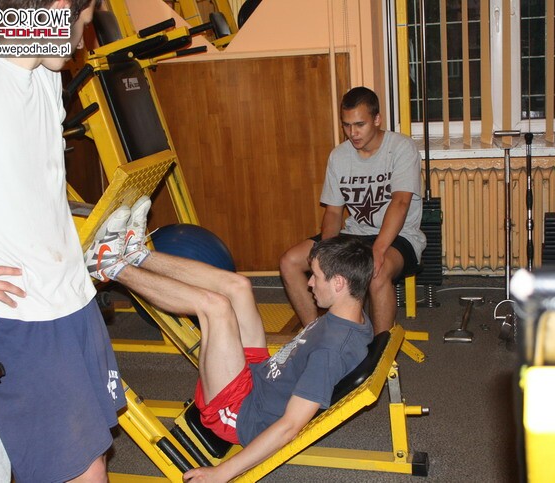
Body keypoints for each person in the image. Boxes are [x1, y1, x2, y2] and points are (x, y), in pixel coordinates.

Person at [0, 1, 126, 481]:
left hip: (71, 299)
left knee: (94, 451)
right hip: (13, 313)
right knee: (82, 471)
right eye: (84, 23)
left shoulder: (44, 77)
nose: (83, 41)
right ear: (60, 9)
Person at [86, 201, 374, 482]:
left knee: (215, 306)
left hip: (241, 411)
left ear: (339, 283)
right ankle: (137, 254)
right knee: (238, 286)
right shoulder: (352, 316)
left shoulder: (331, 351)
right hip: (260, 375)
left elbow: (289, 427)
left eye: (316, 277)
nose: (309, 283)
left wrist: (222, 473)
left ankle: (110, 267)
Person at [280, 86, 426, 334]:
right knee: (289, 261)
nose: (353, 133)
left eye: (360, 124)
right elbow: (333, 212)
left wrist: (378, 249)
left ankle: (379, 349)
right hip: (355, 233)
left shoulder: (401, 147)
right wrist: (327, 251)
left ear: (377, 119)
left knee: (376, 273)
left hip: (399, 235)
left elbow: (400, 203)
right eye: (347, 125)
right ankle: (316, 334)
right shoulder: (339, 156)